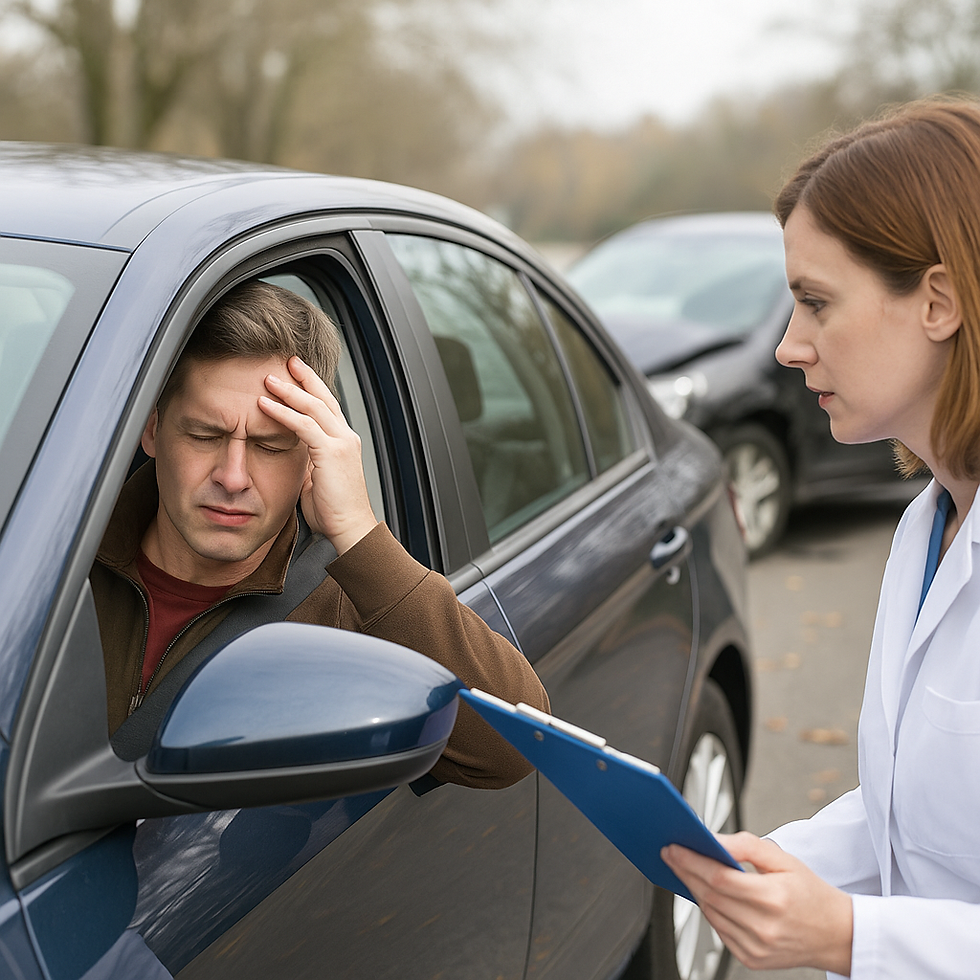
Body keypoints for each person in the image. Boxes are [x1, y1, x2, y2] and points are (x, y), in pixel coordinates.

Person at [662, 96, 980, 979]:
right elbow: (916, 819)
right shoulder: (929, 528)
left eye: (815, 303)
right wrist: (771, 864)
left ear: (939, 302)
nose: (788, 348)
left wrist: (848, 936)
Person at [90, 278, 549, 789]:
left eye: (270, 446)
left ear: (314, 454)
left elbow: (517, 748)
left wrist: (356, 532)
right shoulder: (50, 562)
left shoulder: (346, 608)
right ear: (151, 430)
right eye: (205, 436)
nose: (233, 476)